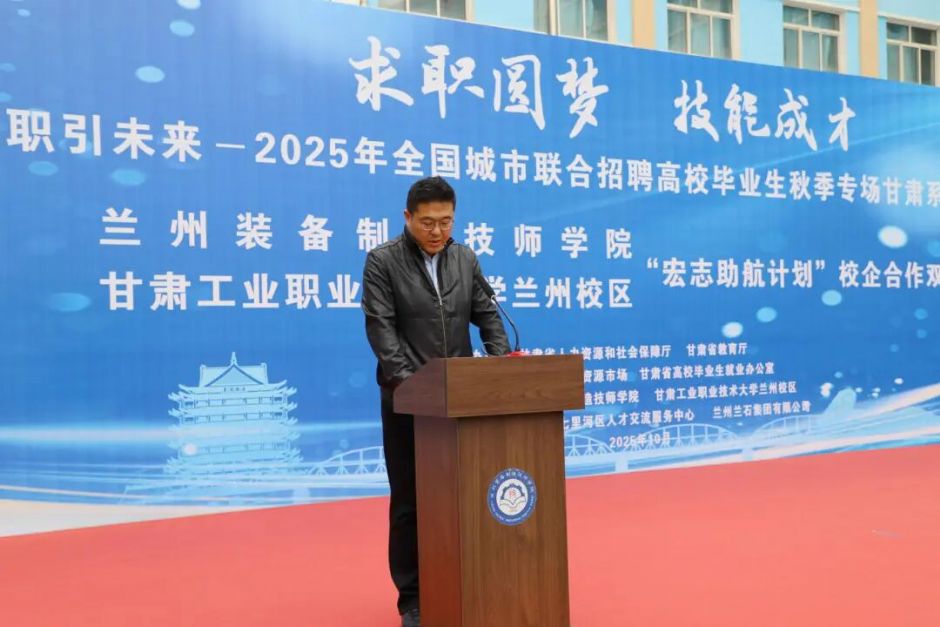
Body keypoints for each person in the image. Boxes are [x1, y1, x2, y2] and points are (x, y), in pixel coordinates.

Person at [361, 176, 510, 627]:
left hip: (461, 402)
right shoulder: (382, 261)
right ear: (408, 217)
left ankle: (464, 582)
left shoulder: (465, 258)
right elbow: (382, 330)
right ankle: (413, 599)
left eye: (446, 222)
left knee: (463, 497)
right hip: (407, 403)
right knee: (410, 503)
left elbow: (488, 316)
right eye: (427, 222)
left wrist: (499, 366)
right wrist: (416, 389)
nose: (437, 231)